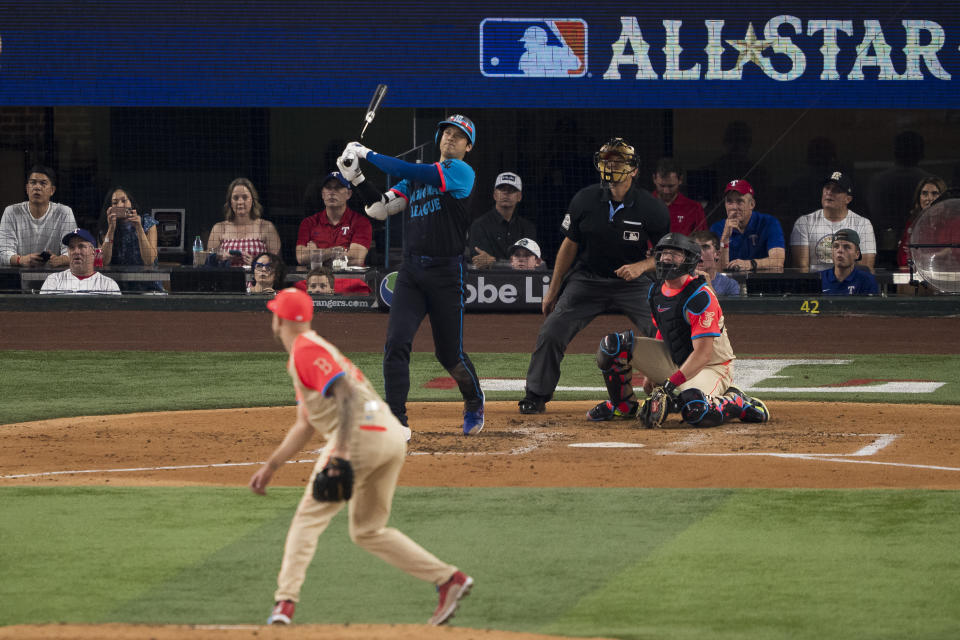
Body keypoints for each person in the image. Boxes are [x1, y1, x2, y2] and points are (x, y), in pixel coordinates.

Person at [249, 288, 473, 627]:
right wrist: (271, 465)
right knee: (367, 530)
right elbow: (305, 424)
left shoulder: (306, 350)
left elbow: (346, 394)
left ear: (279, 320)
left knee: (307, 521)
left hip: (359, 437)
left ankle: (284, 605)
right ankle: (448, 579)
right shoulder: (314, 350)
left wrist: (339, 448)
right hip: (391, 437)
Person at [335, 114, 485, 435]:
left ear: (468, 146)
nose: (450, 138)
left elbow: (409, 170)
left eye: (459, 136)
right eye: (446, 132)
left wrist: (367, 153)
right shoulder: (417, 179)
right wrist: (357, 178)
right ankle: (397, 420)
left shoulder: (460, 172)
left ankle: (473, 400)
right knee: (396, 343)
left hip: (447, 274)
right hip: (413, 271)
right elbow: (379, 209)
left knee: (449, 354)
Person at [517, 138, 670, 415]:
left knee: (661, 328)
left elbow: (664, 253)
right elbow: (569, 245)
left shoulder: (652, 208)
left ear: (633, 170)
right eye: (608, 161)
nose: (611, 166)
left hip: (632, 283)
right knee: (552, 329)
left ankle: (670, 389)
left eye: (618, 161)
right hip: (588, 279)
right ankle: (536, 394)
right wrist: (554, 290)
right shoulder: (584, 199)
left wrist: (641, 266)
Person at [585, 233, 769, 427]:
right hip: (675, 359)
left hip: (712, 366)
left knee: (696, 410)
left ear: (689, 260)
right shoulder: (655, 291)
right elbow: (665, 331)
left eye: (674, 254)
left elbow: (703, 354)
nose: (666, 258)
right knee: (612, 346)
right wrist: (650, 374)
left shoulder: (700, 297)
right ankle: (622, 406)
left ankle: (737, 401)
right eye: (663, 253)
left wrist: (668, 386)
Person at [791, 171, 876, 272]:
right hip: (815, 284)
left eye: (836, 190)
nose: (829, 192)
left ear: (848, 199)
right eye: (827, 187)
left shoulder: (863, 224)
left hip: (849, 285)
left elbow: (865, 267)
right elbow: (801, 268)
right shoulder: (804, 222)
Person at [866, 131, 931, 264]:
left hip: (892, 246)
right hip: (897, 245)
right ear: (921, 152)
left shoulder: (879, 180)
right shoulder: (928, 180)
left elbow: (873, 213)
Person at [0, 165, 76, 269]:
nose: (37, 187)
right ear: (27, 188)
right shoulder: (11, 212)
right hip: (18, 278)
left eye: (43, 183)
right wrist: (21, 260)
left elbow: (72, 251)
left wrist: (60, 260)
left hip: (55, 277)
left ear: (52, 190)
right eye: (33, 183)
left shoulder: (64, 213)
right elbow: (3, 253)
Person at [296, 171, 372, 267]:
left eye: (338, 187)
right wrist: (334, 251)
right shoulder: (308, 223)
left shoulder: (361, 222)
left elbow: (356, 259)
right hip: (316, 278)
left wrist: (317, 254)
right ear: (323, 194)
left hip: (348, 279)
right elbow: (301, 258)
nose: (332, 192)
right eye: (328, 187)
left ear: (348, 194)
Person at [709, 179, 785, 272]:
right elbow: (716, 270)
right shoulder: (717, 227)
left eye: (739, 201)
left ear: (752, 204)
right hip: (730, 283)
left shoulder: (769, 222)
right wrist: (725, 238)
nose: (734, 207)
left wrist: (750, 264)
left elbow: (778, 262)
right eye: (729, 201)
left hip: (762, 281)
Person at [96, 186, 162, 292]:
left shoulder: (147, 223)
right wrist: (111, 229)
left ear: (131, 202)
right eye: (115, 203)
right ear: (110, 207)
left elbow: (149, 260)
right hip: (116, 287)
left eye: (124, 201)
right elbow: (103, 262)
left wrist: (139, 228)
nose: (120, 205)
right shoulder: (105, 228)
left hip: (148, 286)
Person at [207, 178, 281, 266]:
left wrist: (256, 263)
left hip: (257, 279)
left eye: (245, 197)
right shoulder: (219, 228)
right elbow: (208, 262)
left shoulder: (266, 227)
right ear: (230, 202)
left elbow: (277, 264)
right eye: (235, 198)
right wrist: (220, 257)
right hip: (226, 279)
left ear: (253, 200)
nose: (240, 202)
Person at [468, 171, 535, 269]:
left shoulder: (528, 228)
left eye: (512, 190)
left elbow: (530, 262)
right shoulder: (479, 225)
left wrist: (494, 262)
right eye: (501, 189)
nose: (506, 193)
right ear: (495, 195)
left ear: (519, 196)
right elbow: (479, 261)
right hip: (487, 282)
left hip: (522, 282)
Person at [40, 229, 120, 295]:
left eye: (81, 246)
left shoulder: (108, 284)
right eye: (71, 247)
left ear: (94, 252)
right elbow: (42, 312)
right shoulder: (53, 280)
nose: (76, 251)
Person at [897, 176, 947, 268]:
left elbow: (952, 255)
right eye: (924, 193)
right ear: (919, 198)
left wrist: (921, 257)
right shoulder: (913, 224)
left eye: (935, 193)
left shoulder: (953, 223)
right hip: (918, 277)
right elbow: (903, 261)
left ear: (943, 197)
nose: (929, 198)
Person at [651, 158, 706, 235]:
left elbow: (702, 240)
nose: (666, 191)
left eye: (671, 186)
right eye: (662, 186)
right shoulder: (643, 205)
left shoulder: (694, 208)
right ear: (654, 179)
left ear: (680, 180)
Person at [820, 229, 880, 295]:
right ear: (831, 252)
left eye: (846, 247)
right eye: (836, 246)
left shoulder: (867, 280)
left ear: (857, 254)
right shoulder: (819, 278)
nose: (840, 250)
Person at [689, 230, 740, 295]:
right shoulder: (680, 281)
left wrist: (709, 287)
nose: (699, 252)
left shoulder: (729, 285)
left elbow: (731, 305)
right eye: (695, 247)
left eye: (705, 247)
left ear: (717, 254)